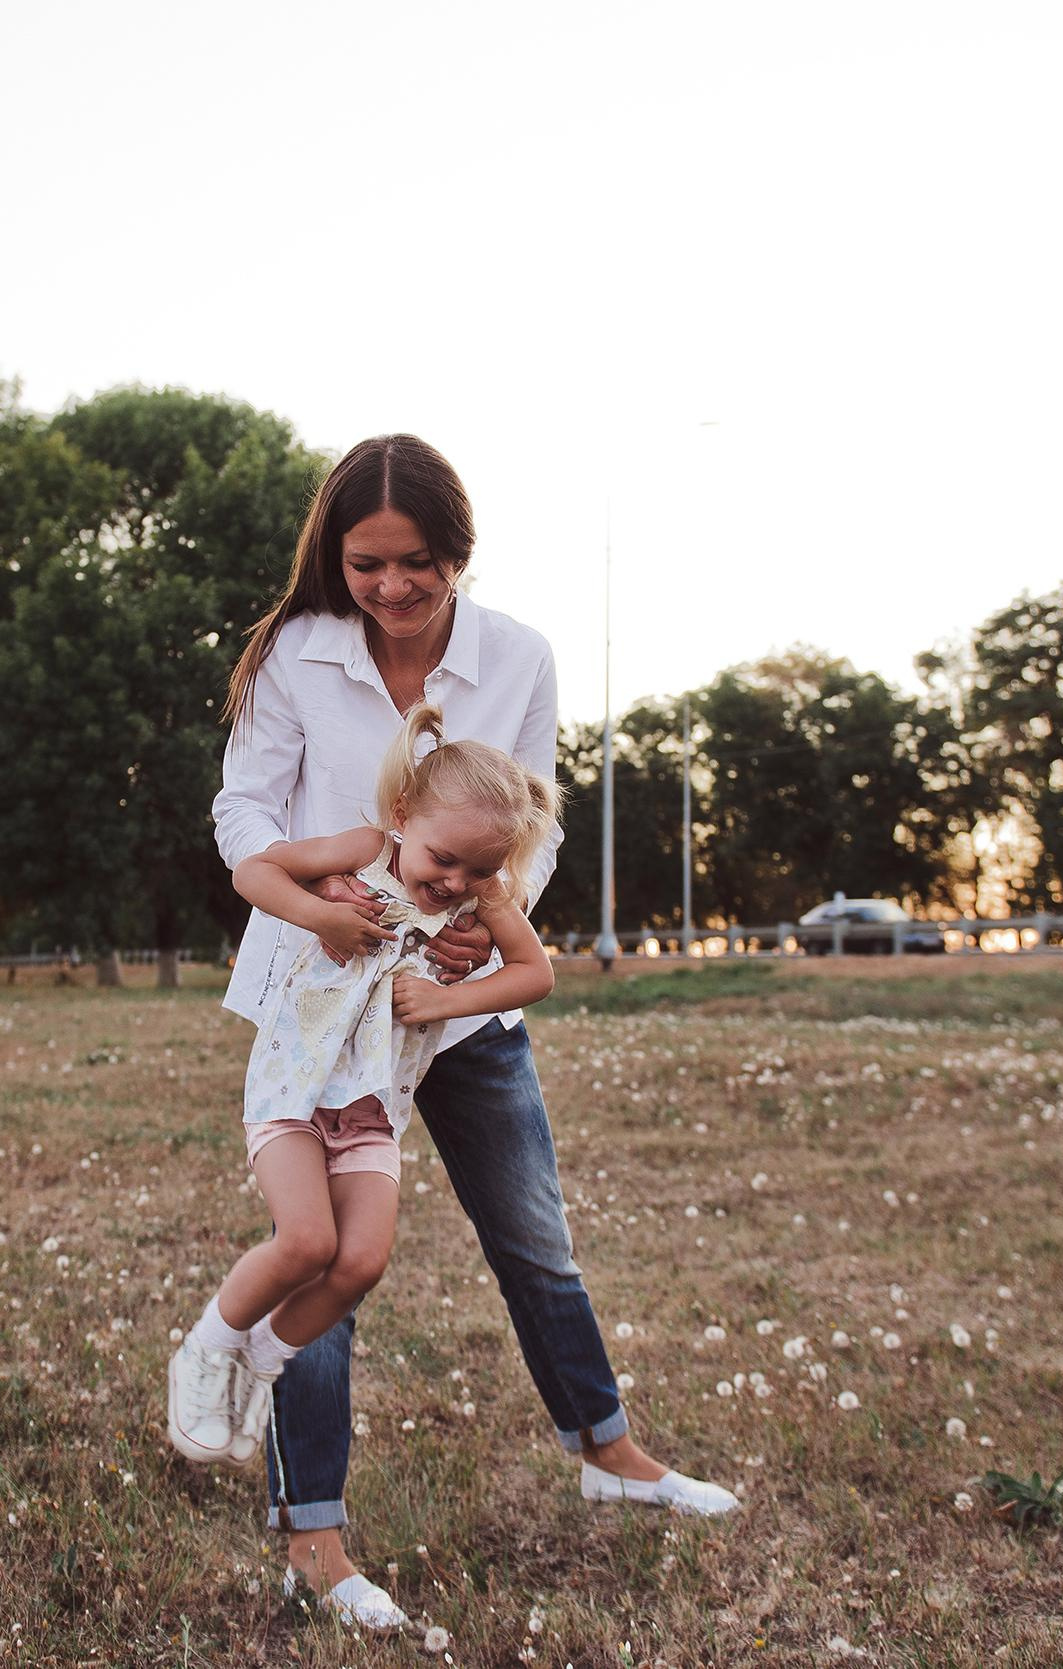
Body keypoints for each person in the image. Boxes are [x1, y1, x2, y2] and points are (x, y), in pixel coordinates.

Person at [207, 434, 738, 1635]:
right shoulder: (298, 651)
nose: (391, 588)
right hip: (330, 1005)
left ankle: (609, 1449)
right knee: (333, 1257)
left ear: (460, 556)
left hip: (461, 1003)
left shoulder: (520, 658)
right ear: (334, 558)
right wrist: (310, 904)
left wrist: (481, 942)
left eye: (418, 566)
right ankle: (317, 1539)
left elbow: (531, 825)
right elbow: (246, 811)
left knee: (535, 1239)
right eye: (366, 564)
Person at [166, 705, 559, 1630]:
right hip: (294, 1089)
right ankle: (206, 1350)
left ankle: (263, 1363)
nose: (454, 879)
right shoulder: (360, 846)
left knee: (362, 1259)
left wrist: (454, 993)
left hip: (373, 1104)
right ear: (406, 811)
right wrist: (318, 913)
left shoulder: (481, 897)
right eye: (442, 859)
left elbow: (534, 974)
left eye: (476, 867)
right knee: (306, 1239)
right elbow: (253, 868)